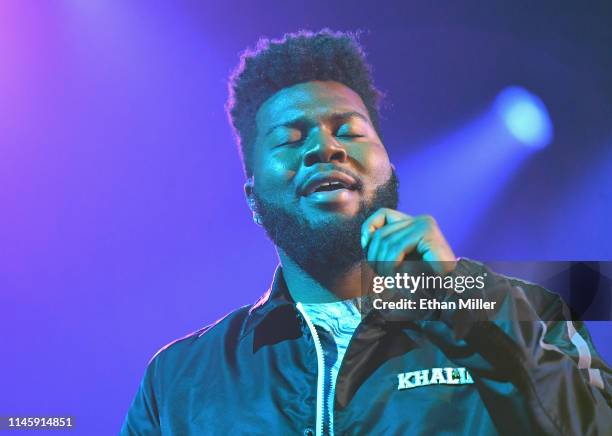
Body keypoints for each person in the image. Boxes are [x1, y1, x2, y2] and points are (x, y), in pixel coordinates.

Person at [121, 29, 611, 435]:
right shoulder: (180, 379)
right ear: (253, 200)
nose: (325, 147)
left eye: (350, 131)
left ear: (389, 170)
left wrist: (468, 301)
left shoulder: (529, 313)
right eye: (291, 139)